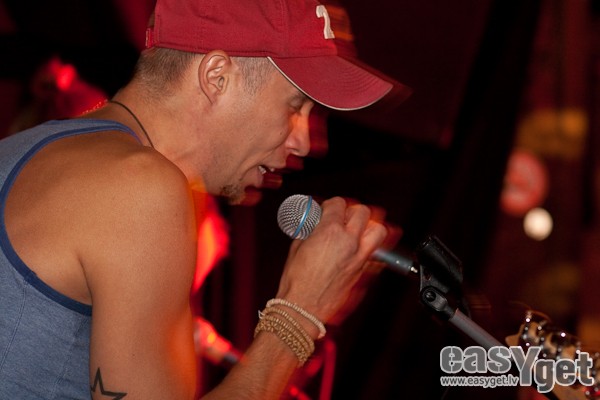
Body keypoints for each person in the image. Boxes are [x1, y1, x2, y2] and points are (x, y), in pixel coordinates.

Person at [0, 0, 411, 398]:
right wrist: (300, 312)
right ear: (217, 77)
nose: (304, 143)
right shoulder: (141, 187)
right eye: (294, 107)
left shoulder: (28, 149)